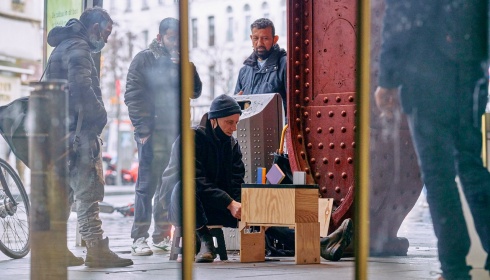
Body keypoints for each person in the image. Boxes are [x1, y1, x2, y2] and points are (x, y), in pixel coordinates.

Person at [163, 94, 353, 263]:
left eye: (236, 122)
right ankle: (205, 241)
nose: (233, 128)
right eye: (229, 122)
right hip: (180, 205)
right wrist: (229, 202)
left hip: (215, 205)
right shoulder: (192, 138)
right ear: (214, 120)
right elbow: (195, 179)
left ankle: (321, 245)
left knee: (259, 215)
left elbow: (236, 183)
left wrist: (247, 208)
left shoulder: (232, 145)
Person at [374, 1, 489, 279]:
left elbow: (400, 15)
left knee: (438, 176)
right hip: (469, 69)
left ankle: (454, 269)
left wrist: (387, 79)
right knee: (472, 167)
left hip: (424, 73)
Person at [45, 7, 133, 267]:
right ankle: (96, 249)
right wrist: (100, 116)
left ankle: (57, 248)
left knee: (66, 194)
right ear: (95, 28)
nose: (105, 40)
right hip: (79, 133)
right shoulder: (80, 49)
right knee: (88, 193)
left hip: (60, 132)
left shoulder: (63, 45)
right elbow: (82, 88)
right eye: (106, 33)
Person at [125, 17, 202, 256]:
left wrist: (184, 69)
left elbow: (196, 91)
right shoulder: (144, 59)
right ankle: (139, 238)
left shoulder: (181, 61)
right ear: (160, 37)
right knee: (146, 186)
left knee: (168, 185)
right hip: (152, 132)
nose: (175, 42)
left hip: (175, 132)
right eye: (171, 37)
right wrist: (143, 130)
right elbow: (133, 95)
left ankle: (160, 235)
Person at [234, 18, 287, 112]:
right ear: (251, 38)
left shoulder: (285, 65)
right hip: (248, 126)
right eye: (255, 38)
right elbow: (236, 111)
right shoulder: (244, 71)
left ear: (275, 39)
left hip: (278, 127)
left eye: (265, 38)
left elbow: (293, 108)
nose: (259, 43)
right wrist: (237, 104)